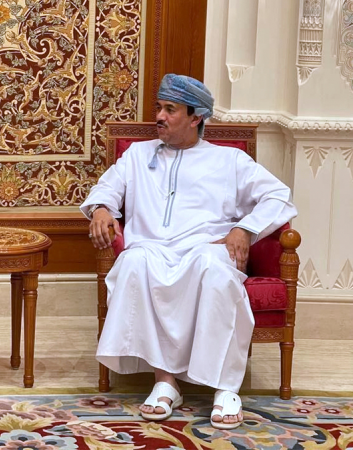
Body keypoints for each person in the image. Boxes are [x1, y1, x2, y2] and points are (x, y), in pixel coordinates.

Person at [81, 74, 297, 429]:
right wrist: (102, 208)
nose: (159, 117)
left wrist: (245, 229)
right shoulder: (137, 155)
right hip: (151, 249)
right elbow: (106, 189)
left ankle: (226, 388)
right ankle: (165, 382)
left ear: (196, 117)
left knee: (214, 270)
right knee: (133, 261)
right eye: (159, 108)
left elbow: (279, 196)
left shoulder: (230, 160)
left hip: (207, 250)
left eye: (170, 110)